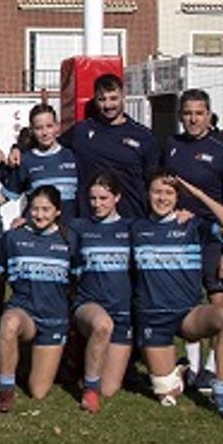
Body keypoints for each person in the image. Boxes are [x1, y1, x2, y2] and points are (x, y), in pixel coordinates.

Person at [132, 171, 223, 420]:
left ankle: (221, 392)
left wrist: (198, 194)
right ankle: (180, 371)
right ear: (147, 195)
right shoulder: (136, 228)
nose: (162, 198)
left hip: (188, 314)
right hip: (153, 320)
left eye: (169, 193)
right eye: (157, 192)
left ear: (178, 197)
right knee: (167, 397)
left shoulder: (192, 225)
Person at [163, 88, 223, 392]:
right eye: (187, 113)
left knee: (220, 301)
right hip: (183, 237)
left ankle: (212, 369)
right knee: (188, 301)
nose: (193, 119)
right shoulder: (172, 146)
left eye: (199, 113)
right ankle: (193, 366)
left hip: (215, 238)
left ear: (209, 115)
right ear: (180, 116)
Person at [0, 186, 75, 413]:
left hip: (54, 319)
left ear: (58, 211)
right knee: (9, 322)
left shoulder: (69, 240)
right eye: (35, 209)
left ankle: (26, 363)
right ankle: (6, 389)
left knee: (38, 392)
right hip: (24, 311)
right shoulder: (13, 238)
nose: (39, 215)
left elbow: (77, 280)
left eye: (46, 210)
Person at [71, 173, 134, 413]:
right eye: (93, 198)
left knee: (109, 389)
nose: (97, 204)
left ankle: (89, 375)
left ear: (117, 197)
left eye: (104, 198)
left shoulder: (130, 228)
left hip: (122, 311)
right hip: (89, 304)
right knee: (102, 325)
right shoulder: (80, 227)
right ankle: (89, 390)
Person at [61, 73, 159, 219]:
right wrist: (18, 148)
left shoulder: (143, 136)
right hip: (90, 221)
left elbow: (155, 182)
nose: (108, 105)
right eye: (102, 99)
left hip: (132, 219)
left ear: (123, 96)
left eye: (113, 98)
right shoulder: (81, 131)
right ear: (95, 100)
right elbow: (48, 145)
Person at [4, 103, 79, 219]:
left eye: (49, 126)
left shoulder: (73, 155)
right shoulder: (25, 160)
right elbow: (5, 196)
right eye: (39, 128)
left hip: (70, 232)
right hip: (37, 234)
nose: (44, 133)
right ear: (32, 130)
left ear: (57, 127)